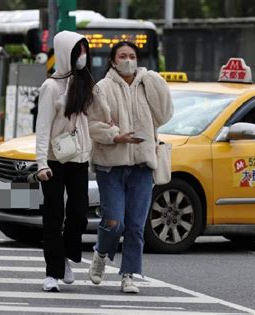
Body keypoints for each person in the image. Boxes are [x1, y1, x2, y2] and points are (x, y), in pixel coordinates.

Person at [87, 41, 173, 293]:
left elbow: (165, 114)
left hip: (142, 165)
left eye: (132, 56)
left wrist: (153, 79)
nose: (128, 60)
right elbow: (92, 125)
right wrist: (115, 135)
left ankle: (129, 275)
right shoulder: (101, 88)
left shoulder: (147, 85)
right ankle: (101, 253)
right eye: (122, 56)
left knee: (136, 225)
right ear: (113, 61)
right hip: (110, 166)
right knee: (114, 221)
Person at [35, 31, 94, 292]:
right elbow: (43, 128)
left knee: (79, 213)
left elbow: (94, 117)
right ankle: (52, 272)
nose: (82, 56)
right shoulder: (50, 87)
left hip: (79, 159)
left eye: (84, 50)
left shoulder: (85, 82)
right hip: (54, 161)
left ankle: (67, 255)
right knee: (53, 215)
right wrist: (41, 164)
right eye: (77, 51)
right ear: (64, 53)